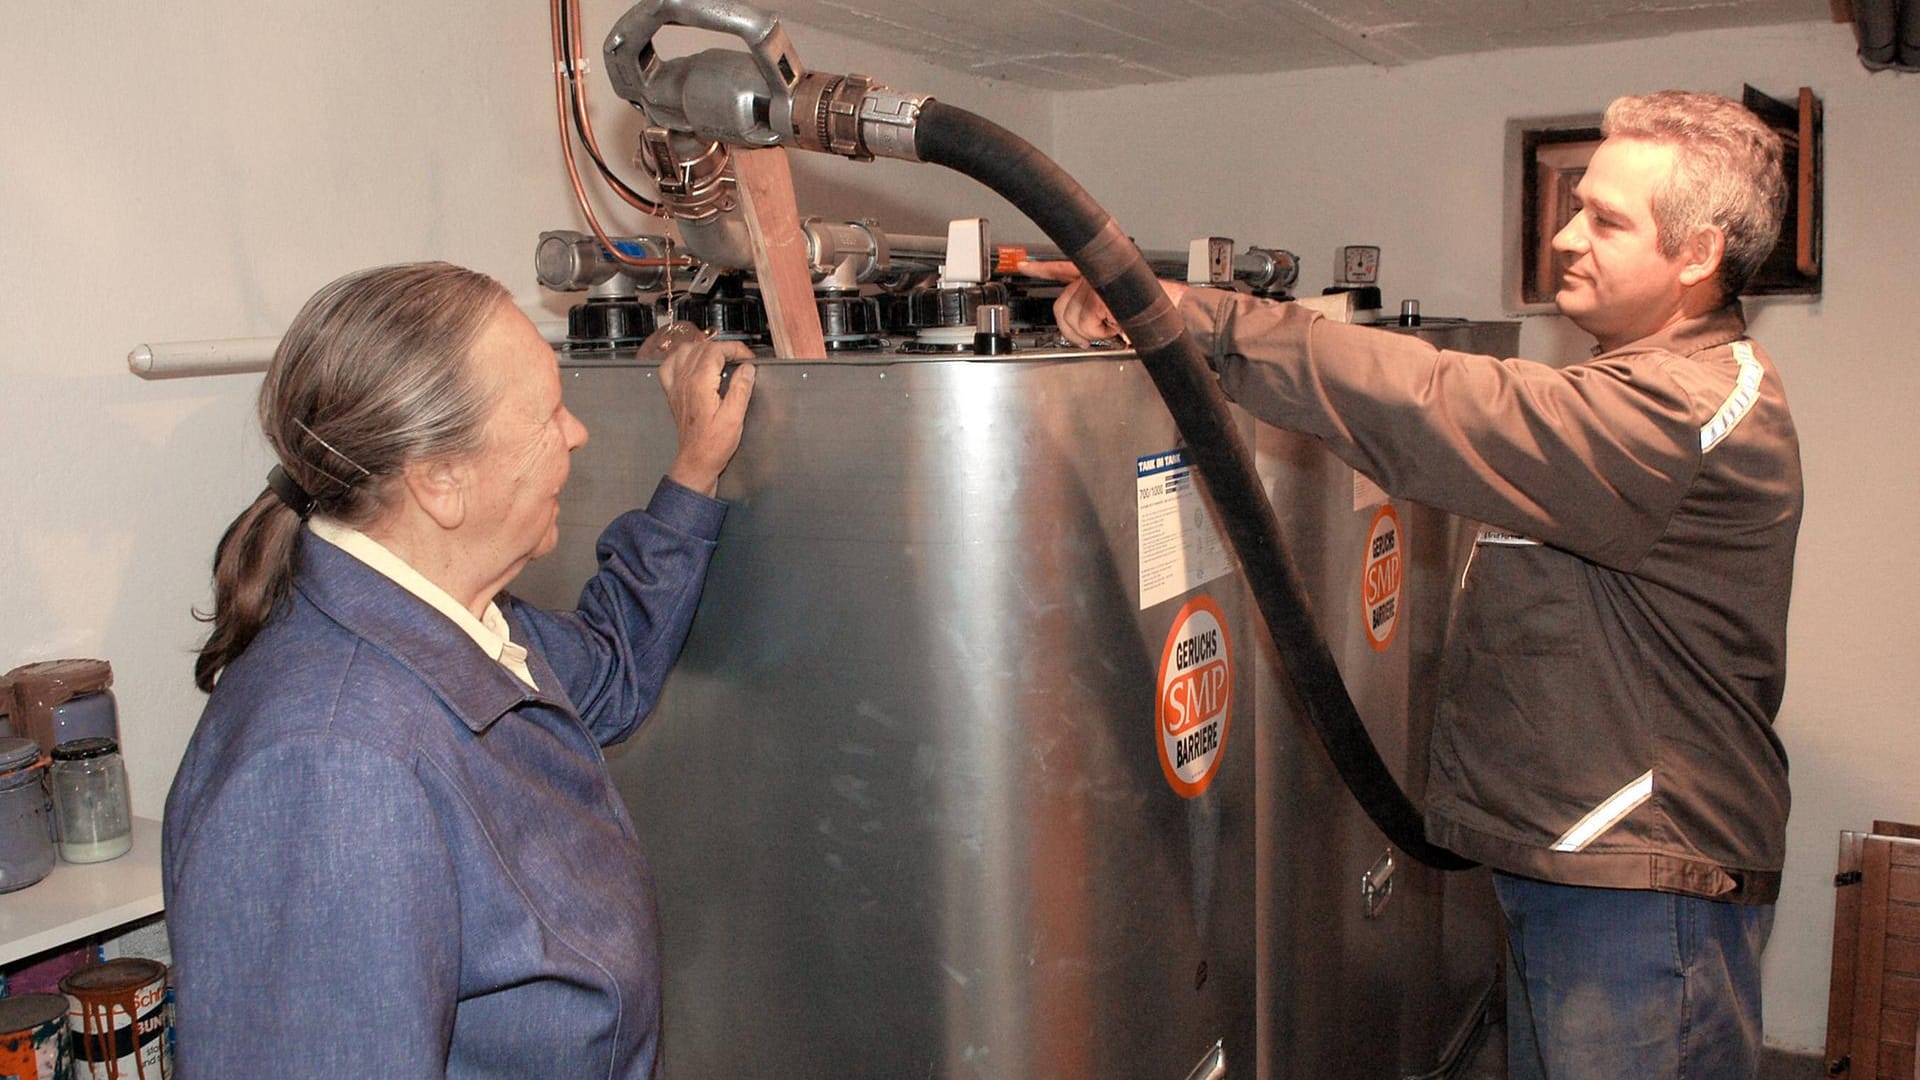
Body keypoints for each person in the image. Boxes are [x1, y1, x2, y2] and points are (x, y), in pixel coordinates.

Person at [1029, 90, 1800, 1080]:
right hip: (1585, 866)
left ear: (1698, 253)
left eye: (1606, 219)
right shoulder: (1647, 383)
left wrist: (1194, 318)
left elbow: (1442, 405)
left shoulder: (1690, 408)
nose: (1567, 237)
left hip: (1644, 896)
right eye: (1576, 206)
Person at [162, 261, 755, 1077]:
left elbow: (609, 675)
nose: (576, 433)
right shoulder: (336, 767)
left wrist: (693, 472)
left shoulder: (448, 620)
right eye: (547, 413)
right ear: (439, 480)